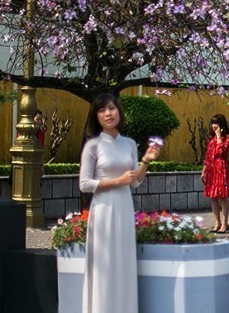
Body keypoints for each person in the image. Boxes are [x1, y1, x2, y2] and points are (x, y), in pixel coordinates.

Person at [79, 93, 160, 313]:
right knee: (105, 263)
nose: (108, 114)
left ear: (119, 112)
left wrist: (145, 161)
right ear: (96, 116)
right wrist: (117, 181)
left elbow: (135, 182)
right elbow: (84, 184)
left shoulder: (129, 144)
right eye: (102, 110)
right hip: (103, 210)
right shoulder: (93, 146)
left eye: (112, 108)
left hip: (124, 207)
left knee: (123, 262)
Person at [202, 114, 229, 233]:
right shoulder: (211, 140)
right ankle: (217, 223)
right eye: (213, 123)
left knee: (222, 197)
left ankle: (225, 224)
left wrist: (219, 136)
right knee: (213, 197)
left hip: (222, 168)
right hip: (211, 170)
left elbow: (221, 151)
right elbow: (208, 157)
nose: (214, 126)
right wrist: (204, 170)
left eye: (217, 123)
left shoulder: (227, 138)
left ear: (222, 125)